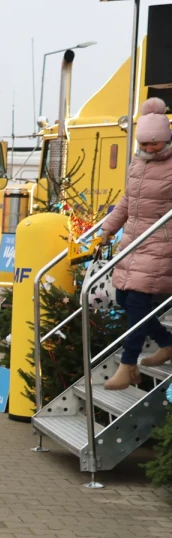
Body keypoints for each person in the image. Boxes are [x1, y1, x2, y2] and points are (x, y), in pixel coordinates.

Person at [101, 98, 172, 390]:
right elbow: (128, 201)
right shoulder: (137, 163)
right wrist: (108, 229)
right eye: (147, 143)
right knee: (122, 298)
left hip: (161, 243)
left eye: (157, 144)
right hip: (134, 241)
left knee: (138, 303)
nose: (152, 148)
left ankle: (128, 365)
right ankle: (168, 343)